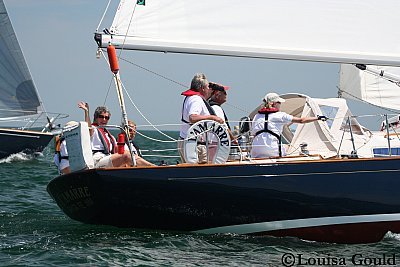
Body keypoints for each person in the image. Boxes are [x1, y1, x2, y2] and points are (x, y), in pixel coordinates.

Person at [250, 92, 327, 158]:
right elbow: (301, 120)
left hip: (256, 152)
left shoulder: (257, 116)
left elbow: (253, 133)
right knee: (288, 149)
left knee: (286, 146)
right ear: (274, 104)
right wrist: (318, 118)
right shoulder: (280, 115)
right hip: (273, 152)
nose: (280, 104)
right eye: (279, 102)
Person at [178, 73, 224, 163]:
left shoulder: (190, 98)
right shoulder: (196, 99)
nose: (209, 89)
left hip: (187, 141)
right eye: (207, 87)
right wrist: (213, 118)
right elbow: (193, 117)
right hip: (194, 144)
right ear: (202, 88)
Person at [78, 103, 132, 168]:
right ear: (96, 117)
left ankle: (146, 168)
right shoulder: (93, 129)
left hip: (108, 158)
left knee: (128, 156)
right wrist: (86, 112)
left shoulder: (109, 136)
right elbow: (88, 129)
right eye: (101, 117)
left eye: (106, 118)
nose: (104, 119)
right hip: (97, 159)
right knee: (126, 156)